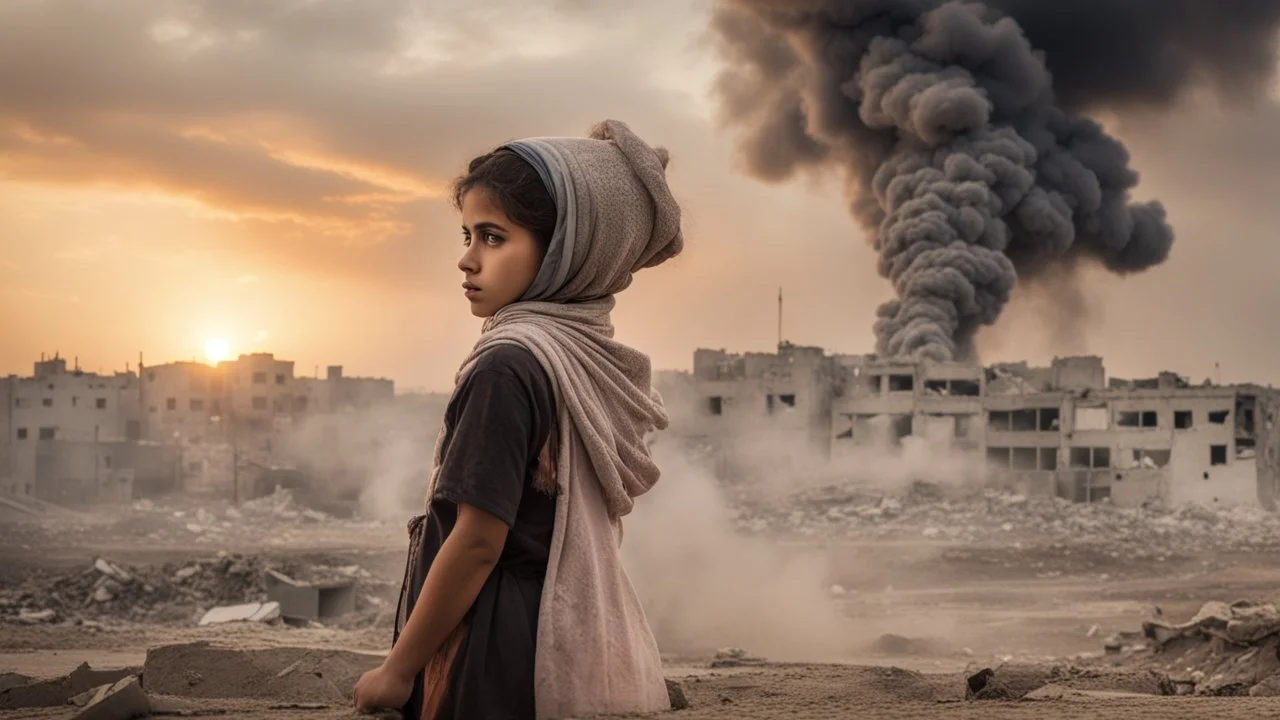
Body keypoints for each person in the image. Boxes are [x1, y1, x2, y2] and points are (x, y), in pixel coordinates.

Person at [352, 119, 684, 719]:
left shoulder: (506, 368)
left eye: (493, 237)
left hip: (493, 652)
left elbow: (478, 541)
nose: (466, 259)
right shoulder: (577, 357)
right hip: (564, 637)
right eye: (467, 235)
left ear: (562, 250)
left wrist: (397, 670)